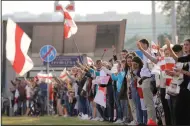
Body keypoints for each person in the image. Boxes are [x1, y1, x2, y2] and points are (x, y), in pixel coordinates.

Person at [136, 39, 157, 123]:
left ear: (145, 45)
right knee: (148, 103)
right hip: (145, 80)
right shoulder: (145, 54)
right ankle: (151, 121)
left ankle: (152, 122)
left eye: (140, 45)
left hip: (148, 80)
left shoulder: (148, 53)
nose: (139, 47)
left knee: (149, 103)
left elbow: (152, 66)